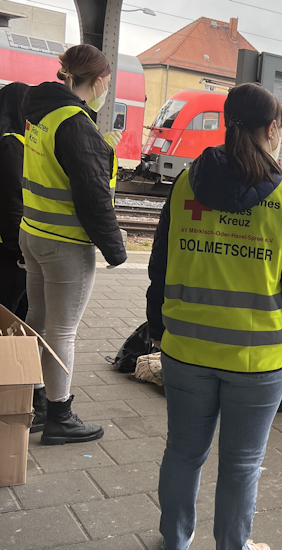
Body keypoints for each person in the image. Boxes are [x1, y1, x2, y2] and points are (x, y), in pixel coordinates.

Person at [146, 82, 282, 550]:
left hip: (185, 349)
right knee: (242, 463)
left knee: (182, 453)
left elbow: (159, 264)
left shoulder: (186, 183)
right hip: (258, 358)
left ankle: (174, 542)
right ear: (272, 130)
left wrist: (157, 327)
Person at [20, 45, 126, 445]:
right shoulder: (74, 123)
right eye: (107, 83)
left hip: (33, 233)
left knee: (39, 321)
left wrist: (100, 144)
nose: (107, 89)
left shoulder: (42, 110)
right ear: (96, 81)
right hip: (65, 245)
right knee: (62, 331)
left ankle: (34, 401)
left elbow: (59, 165)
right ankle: (60, 416)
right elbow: (93, 194)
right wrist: (116, 250)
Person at [0, 82, 29, 320]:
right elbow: (13, 202)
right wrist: (21, 251)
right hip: (9, 251)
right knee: (12, 314)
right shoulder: (12, 144)